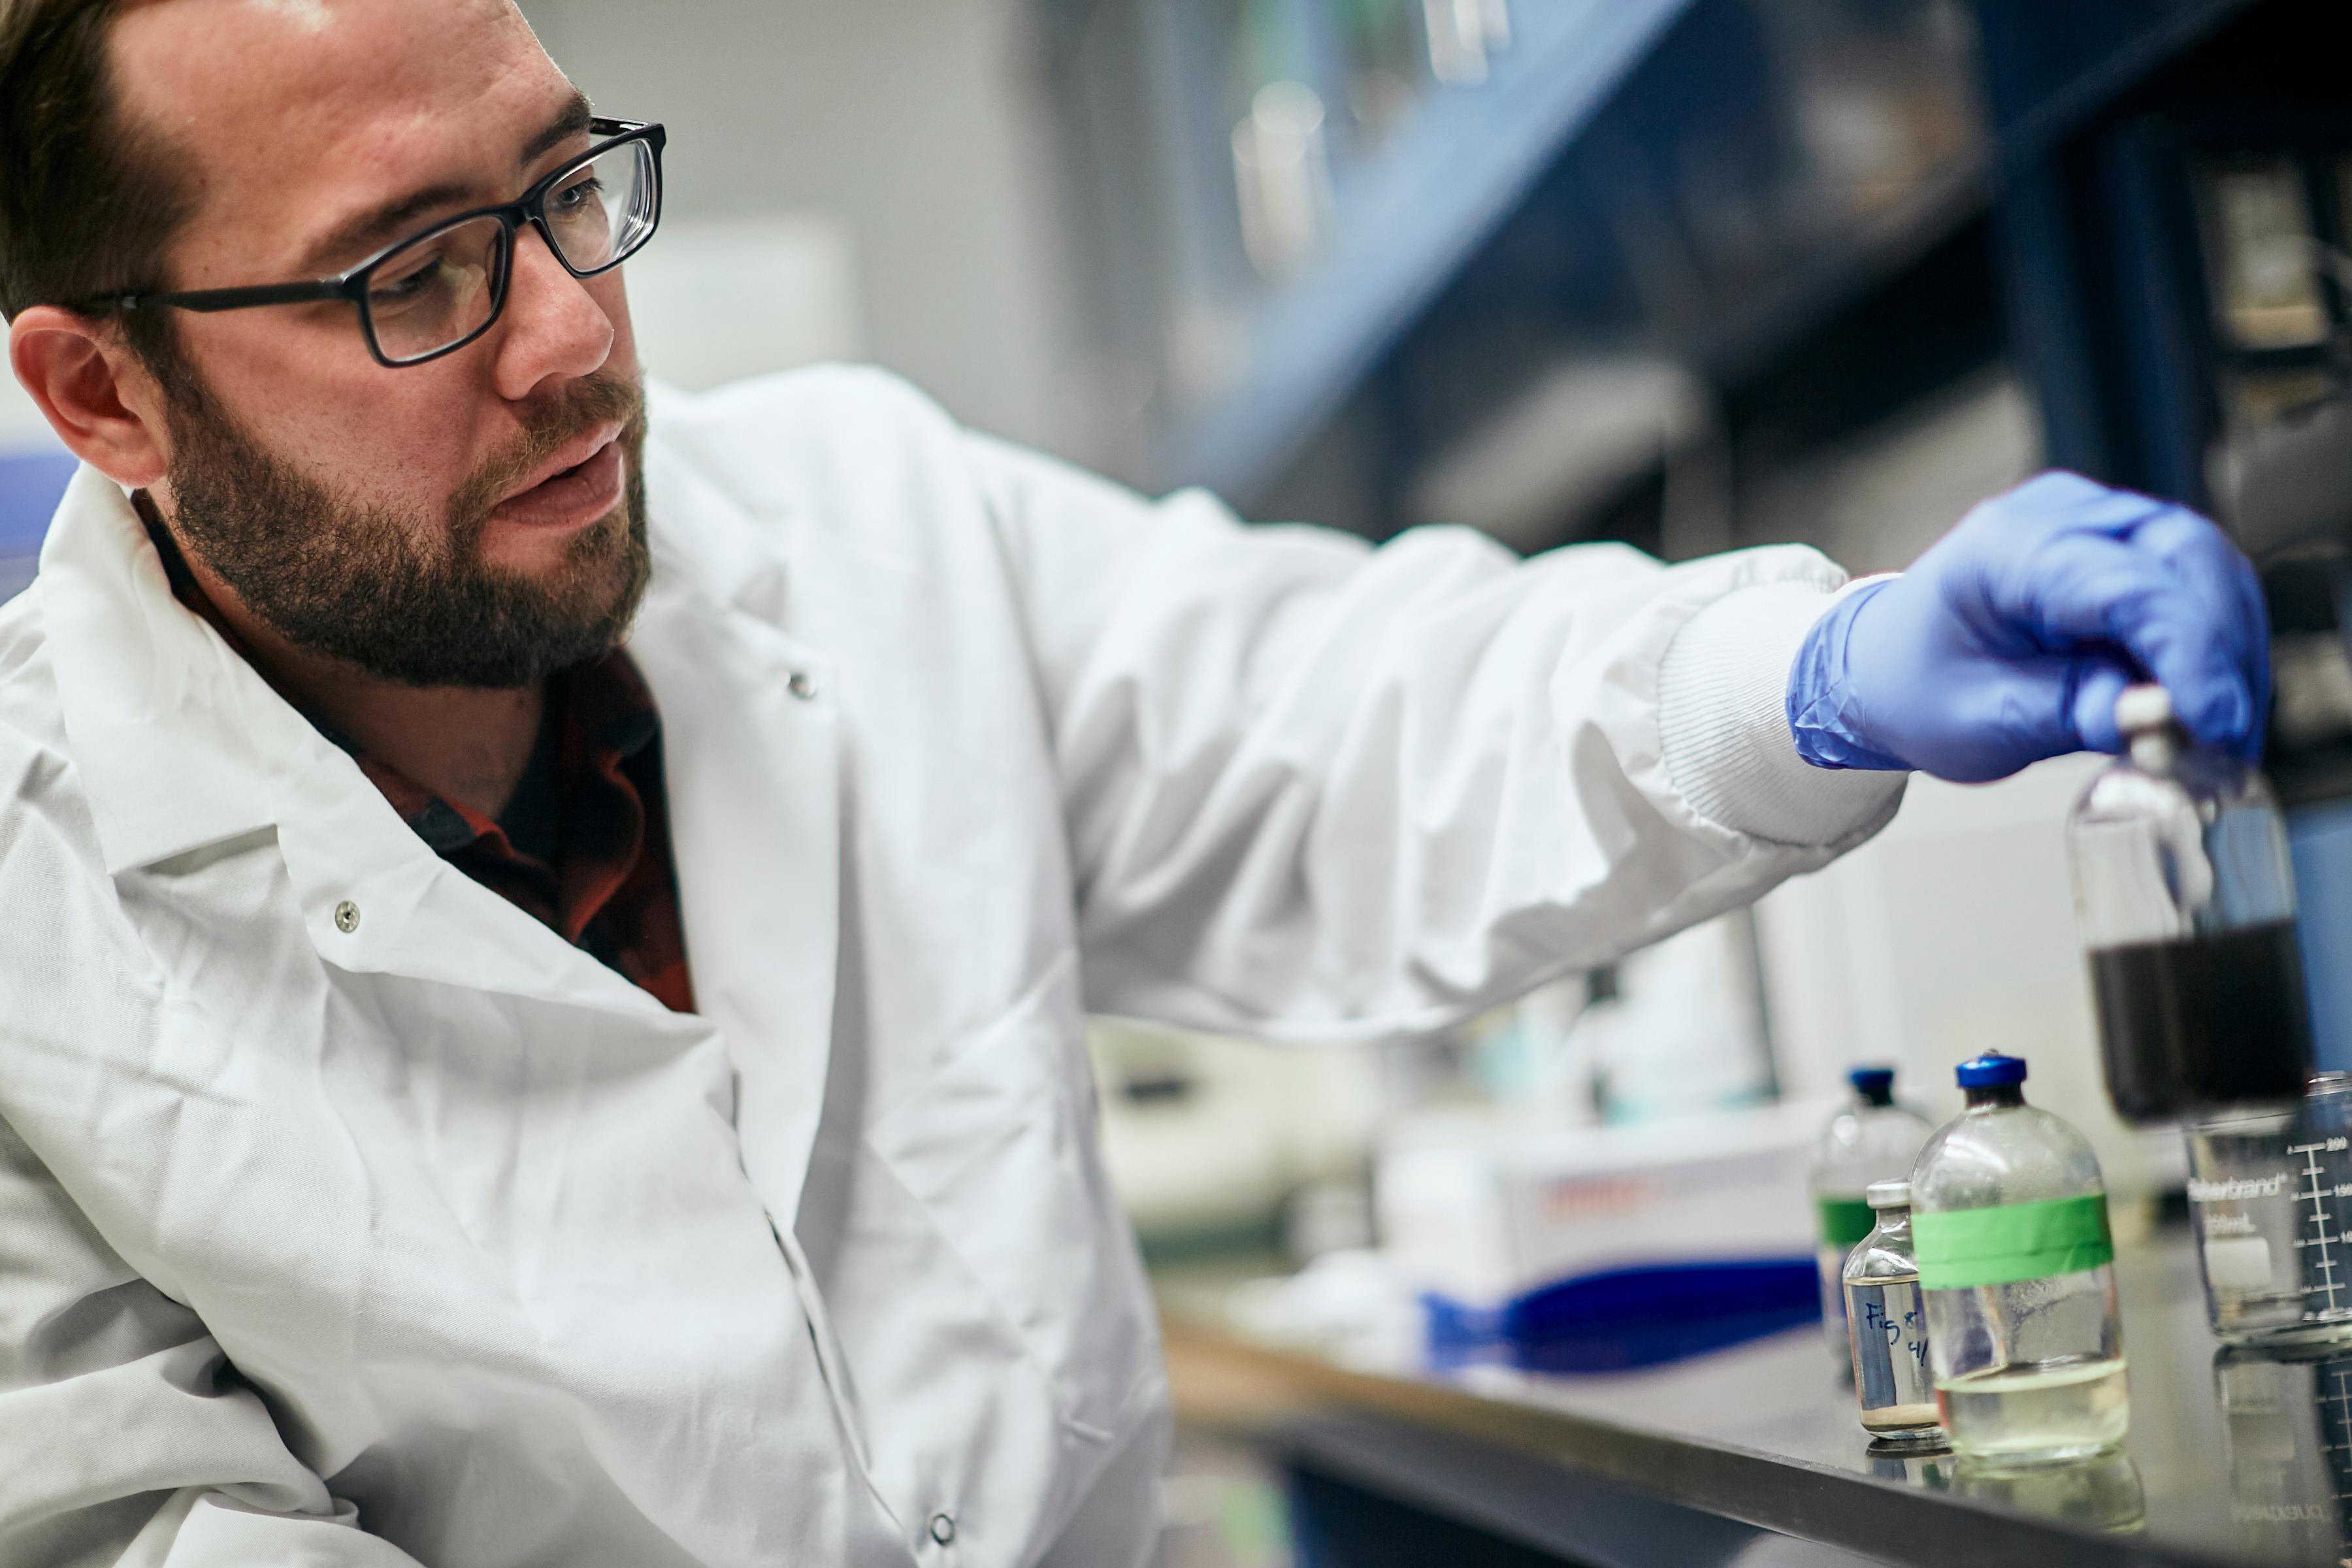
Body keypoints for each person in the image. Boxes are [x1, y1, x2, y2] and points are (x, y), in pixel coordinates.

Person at [0, 1, 2267, 1565]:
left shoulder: (866, 525)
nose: (577, 333)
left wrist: (1834, 666)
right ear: (103, 395)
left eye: (568, 183)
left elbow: (1345, 719)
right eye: (418, 271)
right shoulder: (31, 940)